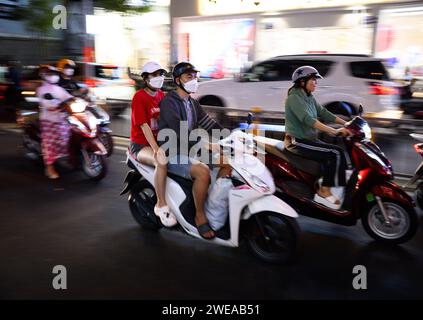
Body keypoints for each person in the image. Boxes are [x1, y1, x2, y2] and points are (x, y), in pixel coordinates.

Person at [158, 62, 230, 239]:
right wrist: (204, 144)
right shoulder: (169, 102)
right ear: (178, 80)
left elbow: (209, 124)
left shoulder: (192, 103)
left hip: (189, 149)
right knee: (203, 172)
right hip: (172, 152)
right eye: (189, 77)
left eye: (195, 77)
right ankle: (199, 216)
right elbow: (178, 131)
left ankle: (212, 206)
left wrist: (230, 136)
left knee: (227, 163)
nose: (194, 80)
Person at [284, 65, 352, 210]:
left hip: (309, 139)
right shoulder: (294, 98)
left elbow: (323, 113)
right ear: (302, 82)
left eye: (316, 80)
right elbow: (308, 120)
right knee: (334, 153)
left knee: (338, 152)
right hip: (297, 141)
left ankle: (338, 188)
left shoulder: (308, 96)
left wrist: (347, 123)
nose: (316, 83)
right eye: (313, 80)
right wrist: (332, 131)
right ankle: (324, 190)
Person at [130, 61, 177, 227]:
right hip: (141, 145)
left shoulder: (161, 96)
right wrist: (157, 150)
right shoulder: (139, 97)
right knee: (161, 161)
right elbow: (144, 127)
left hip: (158, 142)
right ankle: (161, 204)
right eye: (155, 75)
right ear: (146, 78)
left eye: (161, 74)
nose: (159, 78)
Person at [36, 65, 73, 179]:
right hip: (48, 120)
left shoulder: (58, 88)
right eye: (50, 74)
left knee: (67, 138)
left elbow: (68, 97)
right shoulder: (41, 89)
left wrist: (80, 99)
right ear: (44, 76)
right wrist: (54, 107)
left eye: (55, 74)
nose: (54, 76)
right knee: (49, 144)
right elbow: (46, 102)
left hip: (61, 118)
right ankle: (49, 167)